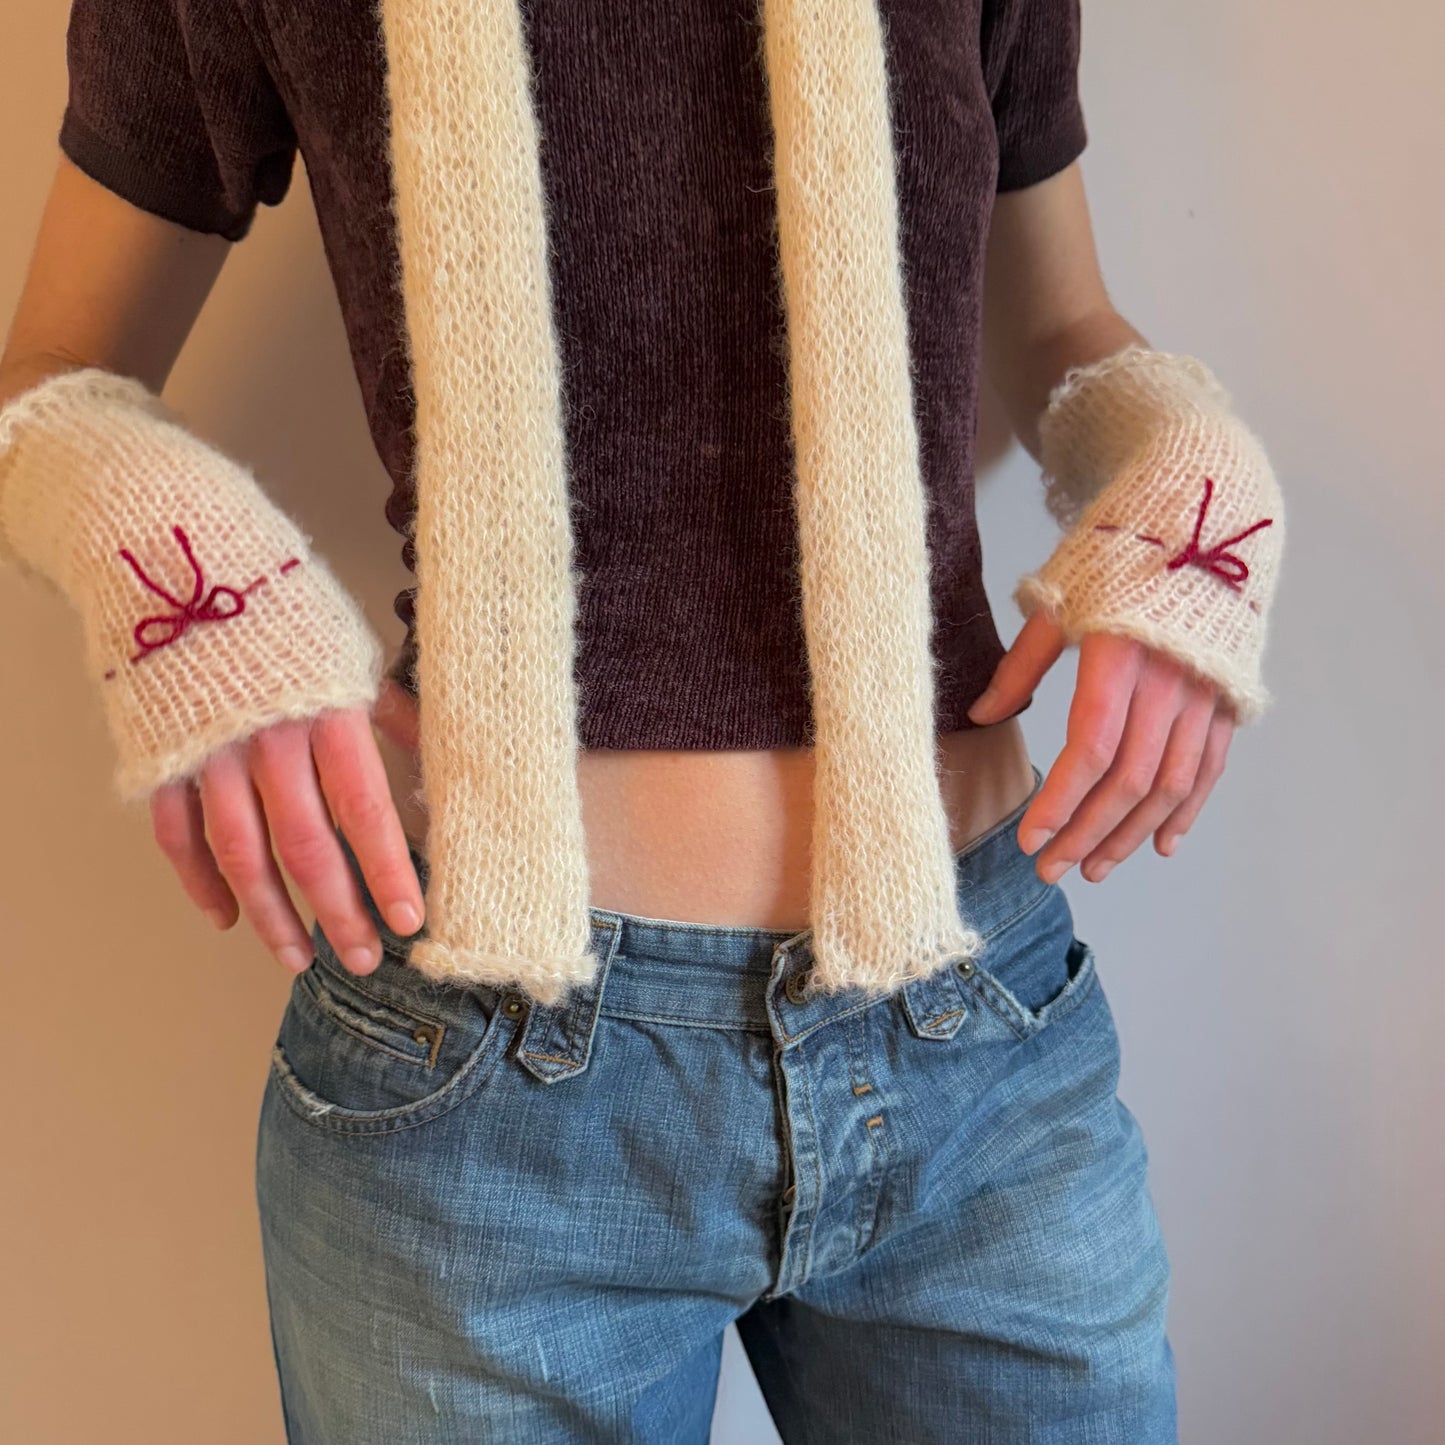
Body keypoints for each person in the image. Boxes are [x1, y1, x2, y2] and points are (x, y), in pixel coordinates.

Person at [0, 0, 1283, 1439]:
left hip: (977, 1040)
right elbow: (49, 372)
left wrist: (1191, 475)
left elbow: (1060, 330)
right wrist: (177, 569)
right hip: (481, 1082)